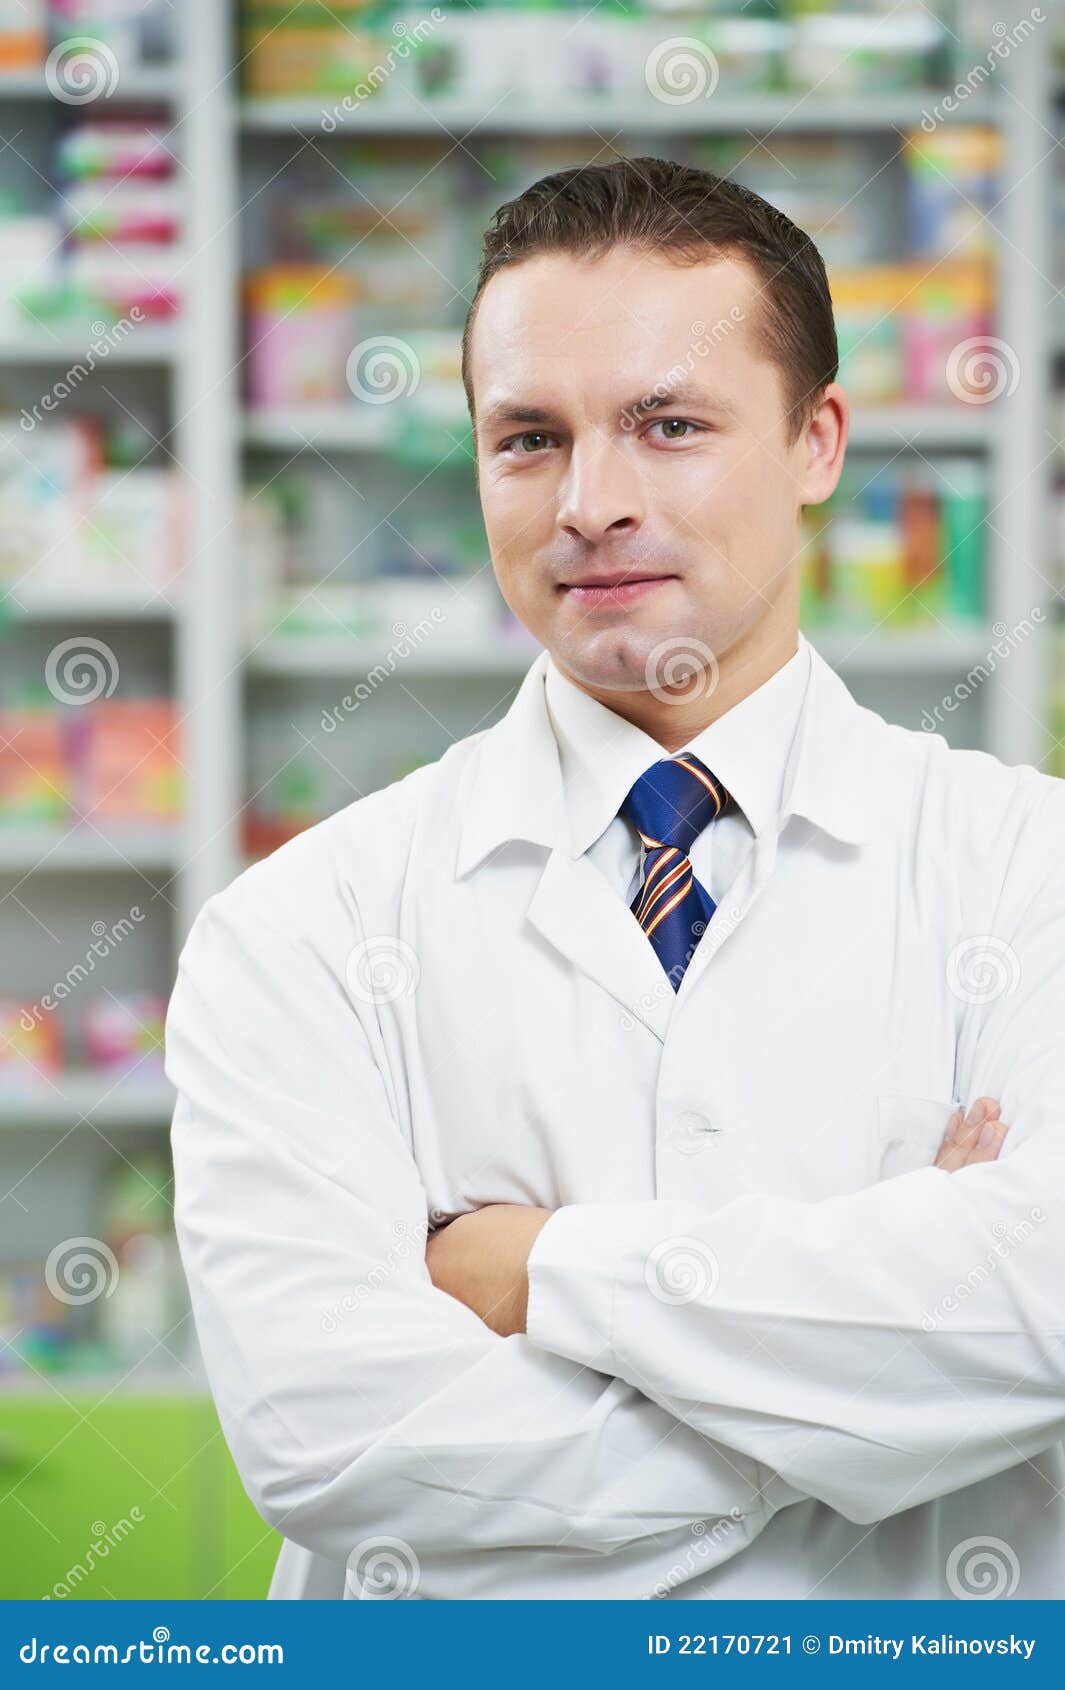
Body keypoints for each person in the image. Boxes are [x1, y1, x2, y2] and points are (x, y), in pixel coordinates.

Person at [164, 158, 1065, 1602]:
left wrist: (542, 1275)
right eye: (527, 437)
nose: (591, 501)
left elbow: (1044, 1310)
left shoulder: (1029, 870)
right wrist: (877, 1400)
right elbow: (337, 1446)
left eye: (668, 424)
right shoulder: (299, 930)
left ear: (815, 439)